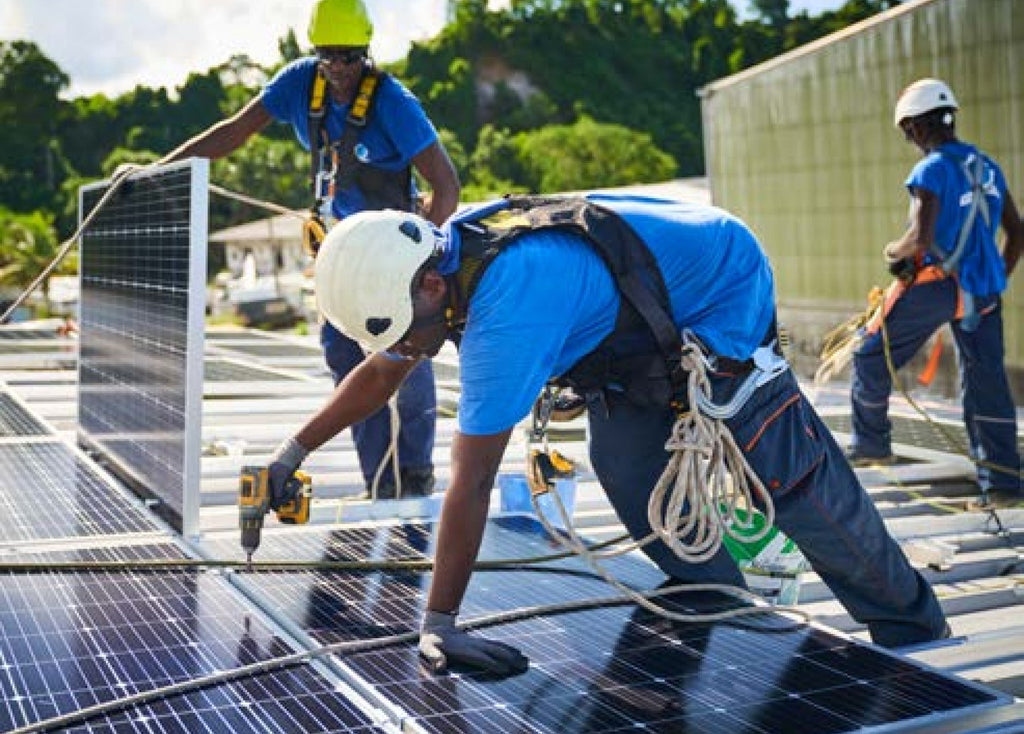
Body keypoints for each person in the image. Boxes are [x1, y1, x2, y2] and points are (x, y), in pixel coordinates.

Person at [266, 194, 950, 673]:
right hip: (639, 324)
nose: (415, 351)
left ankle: (913, 625)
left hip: (719, 286)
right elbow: (381, 374)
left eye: (411, 334)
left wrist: (438, 624)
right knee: (625, 467)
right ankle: (722, 602)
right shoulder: (432, 267)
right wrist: (291, 451)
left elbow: (469, 483)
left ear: (433, 291)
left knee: (786, 472)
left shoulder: (505, 308)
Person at [159, 0, 460, 498]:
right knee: (345, 360)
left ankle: (414, 475)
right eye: (328, 56)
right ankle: (379, 483)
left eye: (349, 57)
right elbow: (234, 132)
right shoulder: (299, 83)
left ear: (365, 52)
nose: (339, 68)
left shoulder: (393, 102)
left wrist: (420, 256)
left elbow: (447, 187)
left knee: (401, 359)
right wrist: (160, 169)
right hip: (340, 255)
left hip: (393, 259)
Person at [847, 78, 1022, 508]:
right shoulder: (988, 167)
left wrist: (893, 251)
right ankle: (1003, 485)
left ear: (916, 127)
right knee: (986, 383)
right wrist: (995, 278)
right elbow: (1017, 233)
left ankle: (871, 445)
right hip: (984, 294)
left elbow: (920, 239)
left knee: (869, 354)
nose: (910, 140)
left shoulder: (930, 170)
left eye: (908, 131)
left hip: (937, 286)